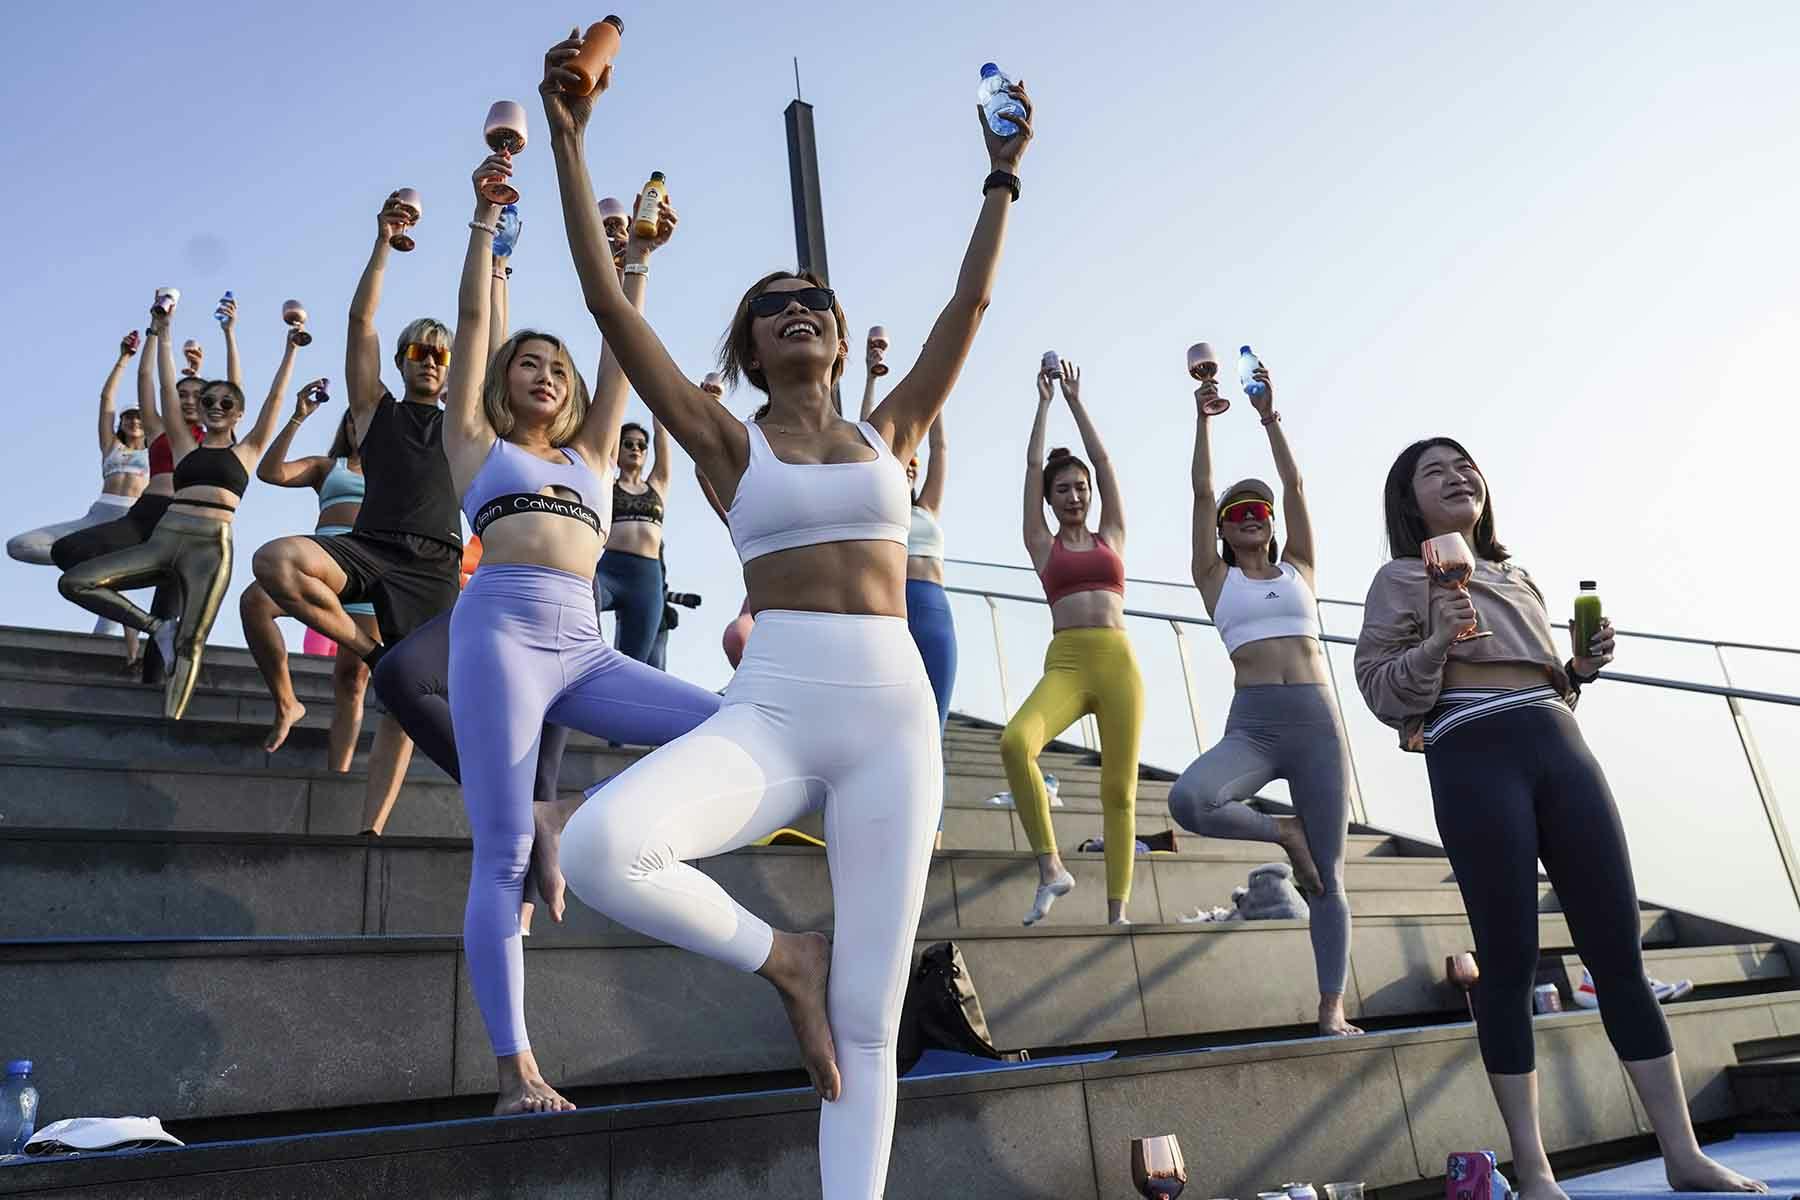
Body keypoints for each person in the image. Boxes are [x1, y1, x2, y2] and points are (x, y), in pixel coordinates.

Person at [540, 33, 1031, 1197]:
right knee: (606, 845)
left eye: (815, 300)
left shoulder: (889, 429)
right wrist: (568, 139)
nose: (801, 310)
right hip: (774, 708)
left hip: (892, 719)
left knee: (870, 1021)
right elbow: (609, 306)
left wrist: (1001, 175)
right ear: (751, 347)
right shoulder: (726, 440)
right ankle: (782, 959)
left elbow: (969, 301)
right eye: (777, 306)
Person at [1354, 438, 1766, 1197]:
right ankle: (1535, 1168)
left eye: (1465, 464)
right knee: (1507, 961)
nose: (1458, 476)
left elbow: (1546, 681)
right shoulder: (1400, 578)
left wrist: (1577, 668)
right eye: (1435, 471)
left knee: (1619, 952)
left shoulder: (1516, 574)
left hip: (1557, 739)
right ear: (1410, 503)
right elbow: (1380, 690)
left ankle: (1683, 1153)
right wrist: (1441, 639)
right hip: (1472, 751)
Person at [436, 146, 724, 1116]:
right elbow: (478, 322)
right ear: (505, 386)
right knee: (504, 853)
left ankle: (616, 836)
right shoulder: (477, 447)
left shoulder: (599, 452)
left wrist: (637, 259)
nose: (547, 374)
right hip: (502, 637)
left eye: (557, 367)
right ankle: (517, 1072)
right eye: (531, 365)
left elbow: (621, 340)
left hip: (585, 644)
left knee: (725, 723)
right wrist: (484, 225)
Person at [251, 191, 463, 835]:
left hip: (434, 567)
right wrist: (382, 244)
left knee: (405, 704)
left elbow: (484, 325)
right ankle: (369, 648)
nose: (427, 361)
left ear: (453, 371)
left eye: (439, 355)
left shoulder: (467, 425)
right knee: (273, 562)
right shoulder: (375, 411)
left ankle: (371, 829)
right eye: (417, 353)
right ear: (401, 362)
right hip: (369, 548)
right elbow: (360, 325)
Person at [1164, 359, 1360, 1037]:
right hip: (1253, 725)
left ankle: (1330, 1005)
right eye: (1236, 514)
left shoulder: (1300, 568)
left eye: (1259, 512)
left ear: (1272, 524)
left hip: (1315, 723)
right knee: (1189, 799)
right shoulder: (1214, 578)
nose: (1249, 518)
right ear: (1223, 530)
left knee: (1327, 880)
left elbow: (1297, 483)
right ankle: (1284, 832)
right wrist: (1201, 419)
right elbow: (1198, 492)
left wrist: (1269, 417)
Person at [60, 308, 299, 719]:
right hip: (166, 534)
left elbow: (275, 399)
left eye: (227, 402)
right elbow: (168, 393)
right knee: (76, 582)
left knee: (193, 642)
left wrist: (290, 349)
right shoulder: (184, 444)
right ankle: (156, 628)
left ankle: (170, 724)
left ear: (239, 412)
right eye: (208, 401)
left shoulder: (247, 449)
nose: (215, 406)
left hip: (210, 547)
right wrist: (164, 334)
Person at [1000, 359, 1143, 927]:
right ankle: (1052, 868)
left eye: (1081, 487)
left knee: (1121, 791)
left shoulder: (1113, 535)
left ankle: (1117, 913)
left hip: (1118, 664)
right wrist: (1043, 404)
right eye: (1064, 490)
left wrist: (1077, 401)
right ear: (1050, 500)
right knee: (1015, 742)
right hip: (1067, 662)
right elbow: (1033, 463)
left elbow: (1105, 464)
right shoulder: (1041, 542)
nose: (1076, 494)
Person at [52, 300, 240, 682]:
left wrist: (229, 333)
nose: (188, 399)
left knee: (161, 654)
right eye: (181, 394)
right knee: (68, 550)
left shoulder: (218, 438)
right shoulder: (159, 429)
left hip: (191, 528)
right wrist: (156, 331)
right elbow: (146, 380)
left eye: (196, 395)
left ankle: (158, 662)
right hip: (147, 514)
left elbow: (235, 391)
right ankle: (148, 620)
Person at [239, 398, 379, 769]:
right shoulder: (327, 466)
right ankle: (287, 703)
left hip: (370, 574)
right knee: (255, 602)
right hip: (321, 565)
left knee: (352, 680)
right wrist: (298, 417)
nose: (361, 430)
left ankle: (339, 773)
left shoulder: (399, 471)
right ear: (347, 428)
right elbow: (270, 472)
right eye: (356, 422)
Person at [9, 332, 151, 663]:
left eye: (139, 417)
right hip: (96, 516)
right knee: (20, 546)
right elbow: (105, 400)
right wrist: (123, 359)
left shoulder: (156, 450)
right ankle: (87, 564)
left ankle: (112, 650)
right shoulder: (111, 446)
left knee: (116, 588)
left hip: (129, 521)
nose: (133, 421)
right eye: (128, 417)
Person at [593, 417, 671, 661]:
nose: (635, 448)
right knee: (583, 591)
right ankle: (590, 655)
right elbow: (607, 434)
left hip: (646, 579)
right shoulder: (607, 483)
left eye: (641, 445)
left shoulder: (658, 483)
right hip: (610, 570)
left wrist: (659, 408)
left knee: (635, 662)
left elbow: (662, 433)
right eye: (628, 444)